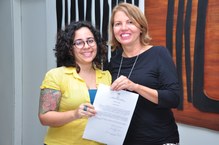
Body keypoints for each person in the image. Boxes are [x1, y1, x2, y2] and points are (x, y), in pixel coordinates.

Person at [108, 2, 180, 145]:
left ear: (141, 27)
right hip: (125, 140)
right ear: (113, 30)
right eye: (117, 24)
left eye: (130, 22)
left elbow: (173, 98)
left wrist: (135, 87)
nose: (123, 28)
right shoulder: (114, 62)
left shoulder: (158, 53)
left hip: (160, 139)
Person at [38, 21, 111, 145]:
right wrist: (74, 114)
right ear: (69, 48)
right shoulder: (56, 76)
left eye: (90, 40)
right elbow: (45, 117)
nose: (87, 46)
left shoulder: (107, 76)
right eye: (79, 42)